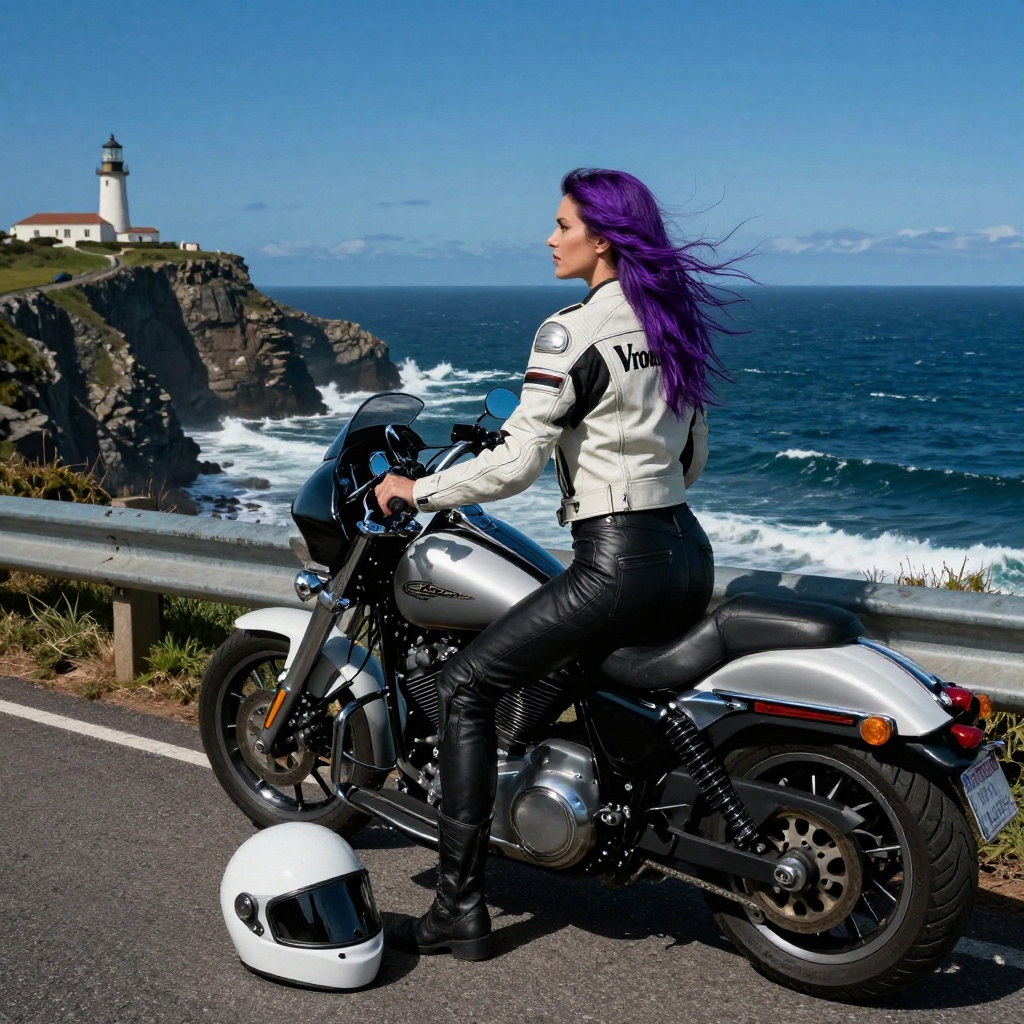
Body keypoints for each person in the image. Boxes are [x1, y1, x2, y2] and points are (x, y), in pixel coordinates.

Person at [374, 167, 748, 962]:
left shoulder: (570, 332)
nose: (549, 237)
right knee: (575, 670)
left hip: (617, 560)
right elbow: (694, 450)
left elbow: (514, 465)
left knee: (470, 686)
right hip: (686, 550)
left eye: (561, 224)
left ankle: (457, 910)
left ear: (601, 238)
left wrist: (420, 488)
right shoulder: (668, 321)